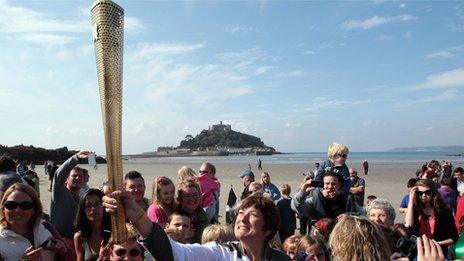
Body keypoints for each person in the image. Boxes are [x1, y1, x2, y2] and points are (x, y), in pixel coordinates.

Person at [102, 191, 291, 261]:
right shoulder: (221, 253)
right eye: (241, 212)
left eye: (253, 215)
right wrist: (136, 215)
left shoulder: (281, 259)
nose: (242, 218)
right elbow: (174, 252)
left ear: (268, 229)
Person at [0, 183, 56, 260]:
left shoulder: (45, 227)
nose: (17, 210)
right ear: (3, 208)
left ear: (34, 209)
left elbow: (71, 254)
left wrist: (62, 250)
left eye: (25, 205)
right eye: (11, 205)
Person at [405, 179, 458, 256]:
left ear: (433, 193)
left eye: (427, 192)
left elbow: (454, 238)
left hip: (438, 253)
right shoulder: (415, 210)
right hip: (418, 254)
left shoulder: (444, 211)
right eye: (420, 193)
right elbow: (408, 225)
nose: (424, 195)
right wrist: (411, 199)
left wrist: (435, 244)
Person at [50, 150, 92, 243]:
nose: (78, 178)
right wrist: (75, 158)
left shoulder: (82, 199)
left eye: (80, 176)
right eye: (74, 176)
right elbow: (58, 175)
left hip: (76, 243)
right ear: (66, 180)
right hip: (59, 242)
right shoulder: (60, 193)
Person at [292, 171, 363, 221]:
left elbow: (362, 214)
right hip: (321, 237)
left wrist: (349, 216)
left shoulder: (347, 199)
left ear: (340, 185)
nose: (330, 186)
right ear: (323, 185)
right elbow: (298, 207)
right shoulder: (316, 199)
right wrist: (303, 192)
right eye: (327, 183)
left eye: (334, 184)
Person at [74, 189, 111, 261]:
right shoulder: (80, 237)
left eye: (97, 204)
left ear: (104, 206)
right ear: (83, 210)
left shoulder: (115, 232)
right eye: (88, 206)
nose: (93, 209)